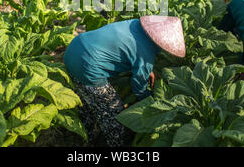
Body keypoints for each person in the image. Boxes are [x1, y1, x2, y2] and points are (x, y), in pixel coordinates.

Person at [63, 16, 186, 147]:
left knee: (88, 101)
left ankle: (84, 136)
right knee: (113, 113)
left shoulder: (133, 24)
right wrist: (148, 101)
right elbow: (139, 86)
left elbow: (127, 47)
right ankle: (118, 145)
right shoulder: (147, 51)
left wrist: (145, 68)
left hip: (74, 50)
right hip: (88, 66)